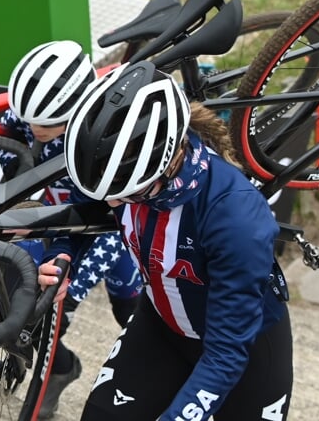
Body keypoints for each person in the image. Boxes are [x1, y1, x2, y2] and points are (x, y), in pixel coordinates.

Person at [40, 62, 292, 421]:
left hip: (243, 350)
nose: (112, 203)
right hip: (162, 324)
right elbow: (86, 203)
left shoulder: (235, 218)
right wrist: (63, 252)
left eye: (127, 192)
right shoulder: (123, 172)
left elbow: (226, 353)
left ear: (169, 162)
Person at [0, 40, 144, 418]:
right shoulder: (31, 116)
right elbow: (5, 138)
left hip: (112, 229)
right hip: (60, 215)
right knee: (28, 300)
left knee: (128, 306)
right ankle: (60, 369)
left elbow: (114, 233)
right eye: (29, 119)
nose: (34, 128)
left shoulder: (99, 140)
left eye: (46, 123)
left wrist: (73, 290)